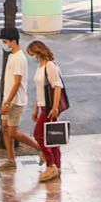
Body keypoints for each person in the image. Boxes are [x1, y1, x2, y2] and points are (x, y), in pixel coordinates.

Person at [0, 26, 43, 171]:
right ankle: (10, 159)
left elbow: (17, 82)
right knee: (4, 128)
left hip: (15, 101)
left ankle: (39, 148)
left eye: (5, 42)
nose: (4, 45)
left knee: (13, 132)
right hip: (8, 100)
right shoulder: (12, 56)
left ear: (13, 41)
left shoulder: (19, 58)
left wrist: (7, 102)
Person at [27, 39, 66, 184]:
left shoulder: (50, 66)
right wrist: (35, 108)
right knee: (52, 137)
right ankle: (57, 165)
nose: (32, 57)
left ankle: (51, 164)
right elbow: (40, 89)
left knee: (39, 134)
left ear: (38, 52)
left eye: (32, 54)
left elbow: (57, 86)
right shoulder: (40, 66)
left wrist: (55, 107)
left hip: (49, 107)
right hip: (43, 105)